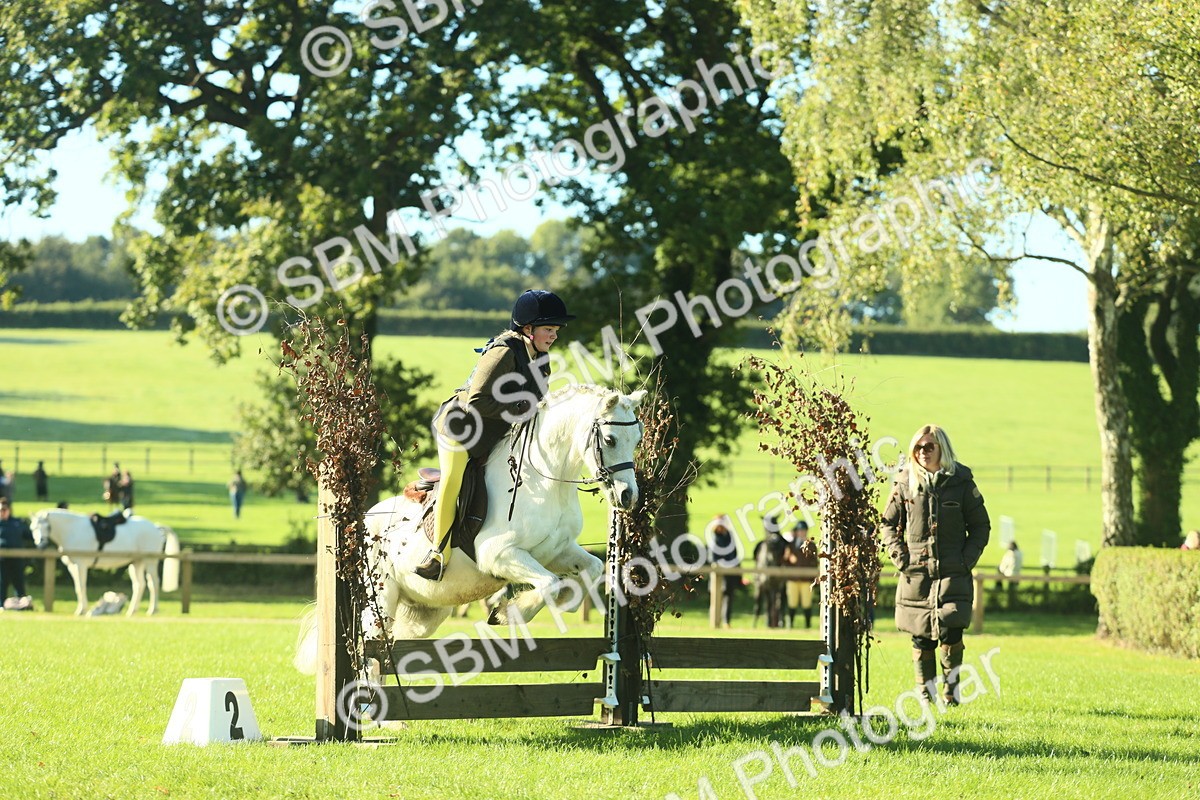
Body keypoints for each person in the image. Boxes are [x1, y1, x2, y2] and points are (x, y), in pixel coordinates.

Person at [414, 289, 575, 580]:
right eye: (549, 329)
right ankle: (438, 554)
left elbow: (537, 405)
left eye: (556, 330)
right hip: (461, 427)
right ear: (528, 328)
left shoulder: (541, 359)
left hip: (495, 433)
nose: (554, 336)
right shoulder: (503, 352)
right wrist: (520, 406)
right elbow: (477, 400)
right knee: (453, 481)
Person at [879, 424, 990, 705]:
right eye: (918, 447)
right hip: (916, 575)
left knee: (951, 633)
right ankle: (924, 695)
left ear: (943, 449)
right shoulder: (904, 483)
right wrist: (901, 558)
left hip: (953, 574)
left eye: (929, 446)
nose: (923, 452)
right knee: (921, 637)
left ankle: (951, 695)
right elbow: (887, 524)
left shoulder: (962, 483)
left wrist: (966, 560)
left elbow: (980, 526)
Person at [706, 514, 743, 628]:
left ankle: (726, 621)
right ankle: (714, 621)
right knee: (716, 596)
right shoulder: (714, 538)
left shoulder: (730, 536)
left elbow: (735, 555)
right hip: (718, 571)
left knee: (728, 596)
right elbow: (712, 557)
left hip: (730, 572)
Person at [782, 520, 818, 628]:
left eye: (803, 531)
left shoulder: (811, 546)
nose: (801, 533)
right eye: (799, 531)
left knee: (806, 603)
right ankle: (790, 624)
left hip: (806, 579)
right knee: (792, 602)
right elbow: (784, 561)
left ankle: (808, 624)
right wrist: (788, 557)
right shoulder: (791, 545)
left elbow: (814, 562)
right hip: (793, 578)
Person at [0, 499, 33, 606]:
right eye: (1, 510)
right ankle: (1, 605)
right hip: (2, 559)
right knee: (2, 582)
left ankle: (22, 605)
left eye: (5, 509)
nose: (3, 512)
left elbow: (30, 536)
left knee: (19, 582)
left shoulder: (17, 522)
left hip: (17, 559)